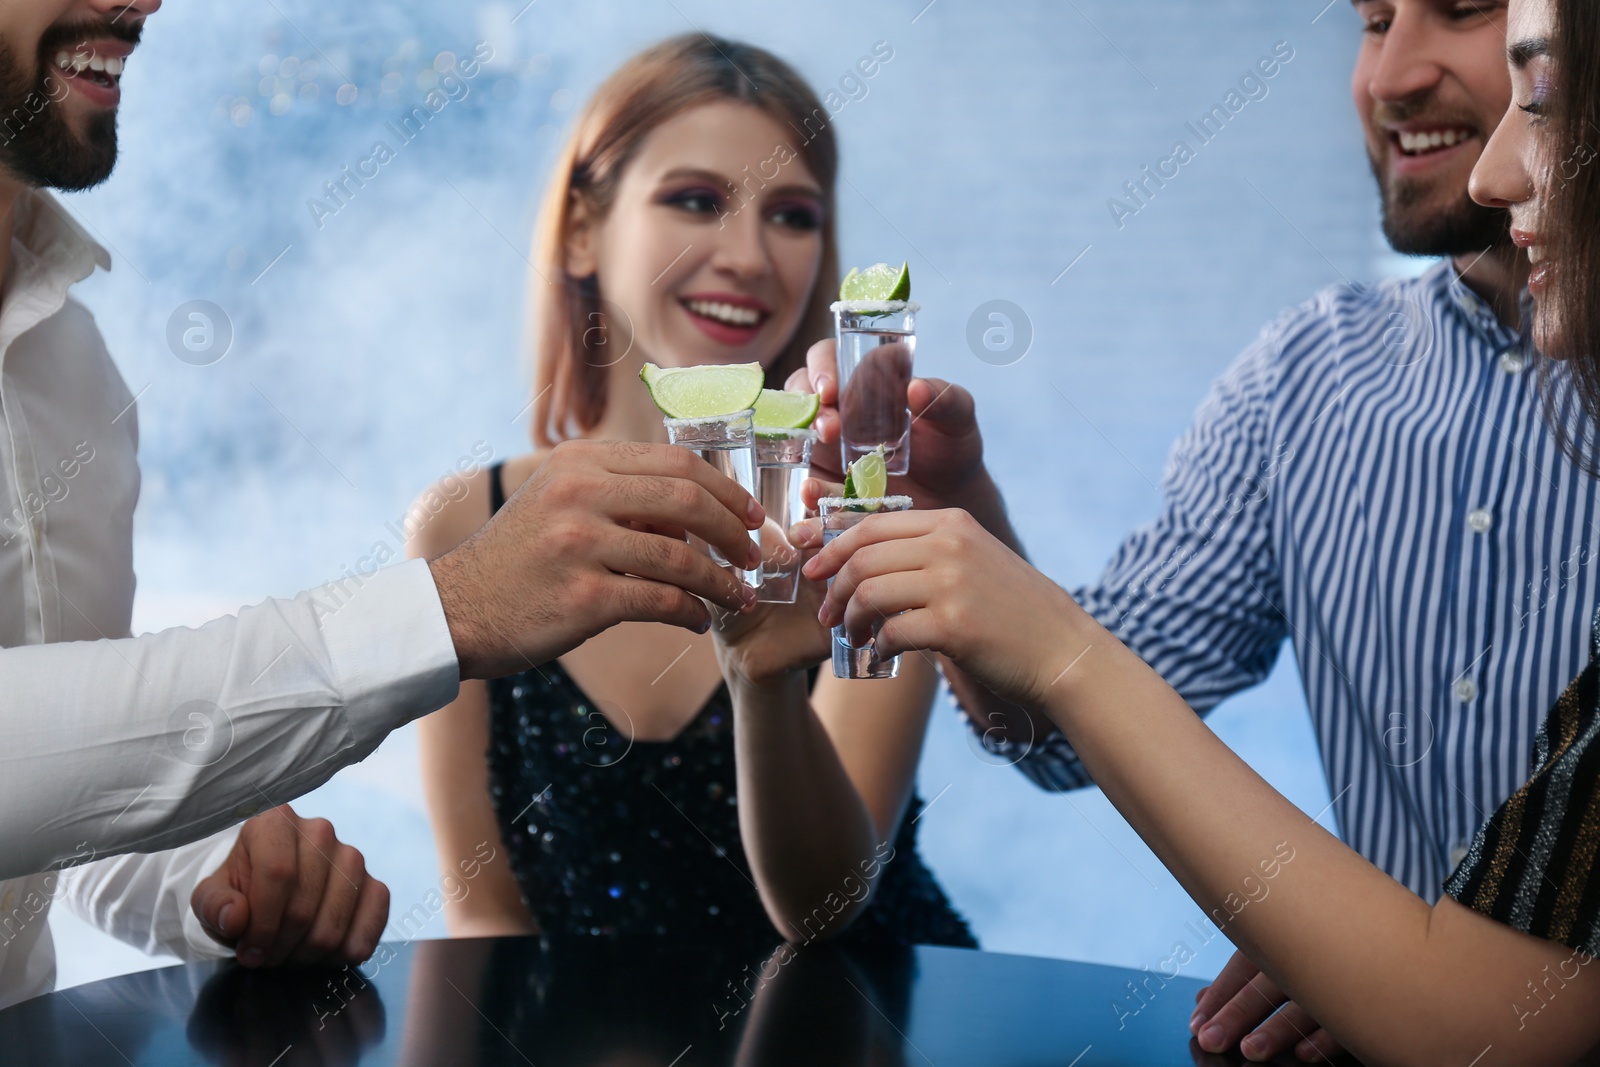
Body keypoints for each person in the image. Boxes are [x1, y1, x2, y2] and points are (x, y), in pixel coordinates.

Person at [785, 0, 1593, 1058]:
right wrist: (953, 511)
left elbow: (1491, 1016)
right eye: (1370, 21)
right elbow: (1066, 737)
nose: (1390, 73)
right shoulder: (1302, 378)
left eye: (1460, 12)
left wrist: (1414, 975)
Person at [0, 1, 764, 1009]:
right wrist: (445, 609)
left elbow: (61, 777)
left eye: (789, 212)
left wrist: (212, 877)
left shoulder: (76, 365)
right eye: (695, 201)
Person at [407, 34, 973, 950]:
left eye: (793, 214)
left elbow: (827, 911)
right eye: (697, 201)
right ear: (584, 228)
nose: (749, 254)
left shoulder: (874, 514)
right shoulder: (464, 523)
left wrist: (763, 679)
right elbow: (480, 912)